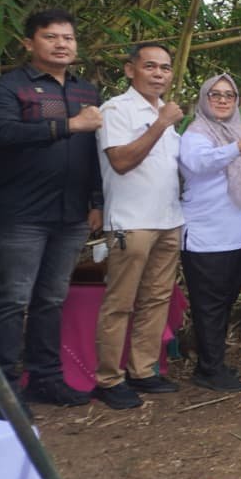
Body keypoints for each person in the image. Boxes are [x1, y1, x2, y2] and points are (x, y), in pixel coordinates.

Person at [0, 10, 101, 417]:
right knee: (13, 298)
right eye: (51, 37)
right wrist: (70, 125)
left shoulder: (86, 91)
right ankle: (2, 392)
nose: (61, 44)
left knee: (52, 298)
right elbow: (6, 133)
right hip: (22, 212)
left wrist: (97, 201)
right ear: (28, 43)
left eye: (68, 37)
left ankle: (46, 377)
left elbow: (93, 153)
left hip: (71, 212)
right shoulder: (7, 87)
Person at [92, 43, 184, 409]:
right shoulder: (116, 109)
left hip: (168, 219)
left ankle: (143, 370)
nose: (159, 73)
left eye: (165, 67)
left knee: (157, 298)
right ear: (131, 70)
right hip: (131, 222)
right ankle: (108, 378)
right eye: (150, 66)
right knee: (120, 302)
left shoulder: (165, 110)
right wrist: (161, 125)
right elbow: (121, 161)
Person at [178, 74, 241, 392]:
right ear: (204, 98)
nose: (223, 100)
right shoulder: (196, 133)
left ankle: (213, 362)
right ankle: (208, 369)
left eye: (229, 95)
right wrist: (240, 146)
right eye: (215, 94)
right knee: (209, 304)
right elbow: (199, 163)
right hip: (208, 235)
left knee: (223, 302)